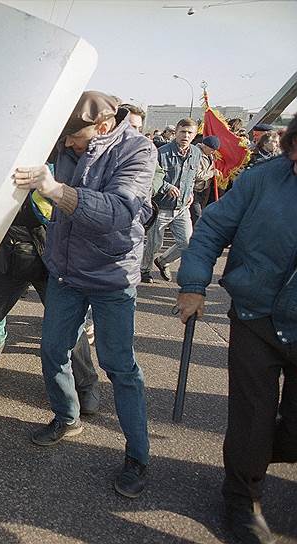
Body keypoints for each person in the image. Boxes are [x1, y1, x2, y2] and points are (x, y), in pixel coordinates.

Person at [14, 91, 156, 498]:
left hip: (112, 276)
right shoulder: (67, 146)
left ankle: (137, 456)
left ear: (104, 127)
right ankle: (66, 416)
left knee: (120, 365)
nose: (67, 144)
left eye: (74, 137)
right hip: (65, 274)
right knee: (53, 348)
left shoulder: (138, 151)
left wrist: (56, 190)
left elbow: (117, 211)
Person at [175, 117, 297, 544]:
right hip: (255, 316)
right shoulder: (262, 180)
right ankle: (242, 499)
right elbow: (211, 228)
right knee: (252, 418)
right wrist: (193, 284)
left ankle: (262, 452)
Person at [0, 189, 101, 414]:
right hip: (7, 250)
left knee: (69, 325)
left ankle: (86, 383)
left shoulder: (64, 156)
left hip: (52, 253)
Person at [140, 118, 202, 283]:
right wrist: (166, 187)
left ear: (195, 135)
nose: (186, 136)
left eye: (190, 133)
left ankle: (163, 261)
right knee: (154, 244)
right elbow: (152, 176)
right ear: (176, 133)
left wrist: (190, 193)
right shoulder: (162, 152)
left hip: (182, 207)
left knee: (188, 243)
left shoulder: (196, 153)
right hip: (162, 206)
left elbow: (192, 176)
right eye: (183, 132)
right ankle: (144, 270)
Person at [190, 135, 220, 226]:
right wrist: (212, 173)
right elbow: (197, 175)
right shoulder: (195, 153)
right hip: (194, 189)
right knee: (197, 215)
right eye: (212, 149)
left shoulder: (210, 155)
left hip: (204, 189)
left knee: (200, 214)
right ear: (205, 146)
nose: (213, 152)